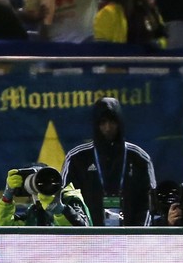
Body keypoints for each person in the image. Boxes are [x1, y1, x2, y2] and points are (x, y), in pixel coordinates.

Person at [62, 97, 156, 227]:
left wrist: (138, 235)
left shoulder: (139, 158)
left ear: (120, 123)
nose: (108, 128)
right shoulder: (77, 158)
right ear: (96, 124)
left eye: (112, 122)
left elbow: (148, 203)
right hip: (87, 239)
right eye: (103, 122)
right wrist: (82, 232)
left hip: (130, 239)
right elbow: (67, 198)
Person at [0, 165, 92, 226]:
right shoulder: (35, 211)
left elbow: (83, 231)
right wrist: (7, 196)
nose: (41, 184)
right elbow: (3, 228)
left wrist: (59, 209)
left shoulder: (70, 199)